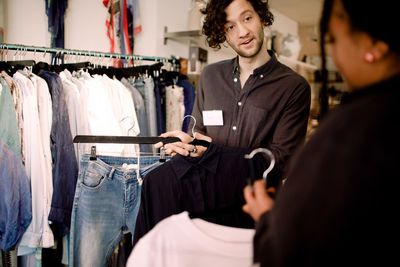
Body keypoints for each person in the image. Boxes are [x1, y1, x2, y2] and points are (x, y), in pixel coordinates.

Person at [242, 0, 400, 266]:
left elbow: (298, 247)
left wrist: (268, 219)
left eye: (334, 40)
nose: (335, 55)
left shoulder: (353, 133)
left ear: (375, 45)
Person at [156, 0, 311, 188]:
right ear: (224, 34)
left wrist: (214, 153)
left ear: (261, 17)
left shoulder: (293, 86)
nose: (243, 32)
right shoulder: (210, 76)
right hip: (204, 196)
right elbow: (196, 133)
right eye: (230, 26)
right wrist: (186, 145)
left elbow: (282, 162)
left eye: (247, 18)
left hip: (256, 206)